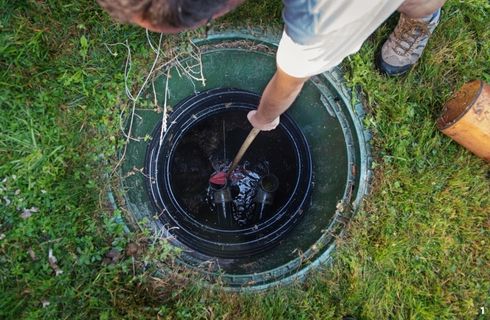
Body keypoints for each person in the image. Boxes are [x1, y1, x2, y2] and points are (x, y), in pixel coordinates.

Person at [97, 0, 446, 131]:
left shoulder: (318, 15)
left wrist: (264, 117)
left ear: (220, 10)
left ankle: (422, 13)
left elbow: (291, 80)